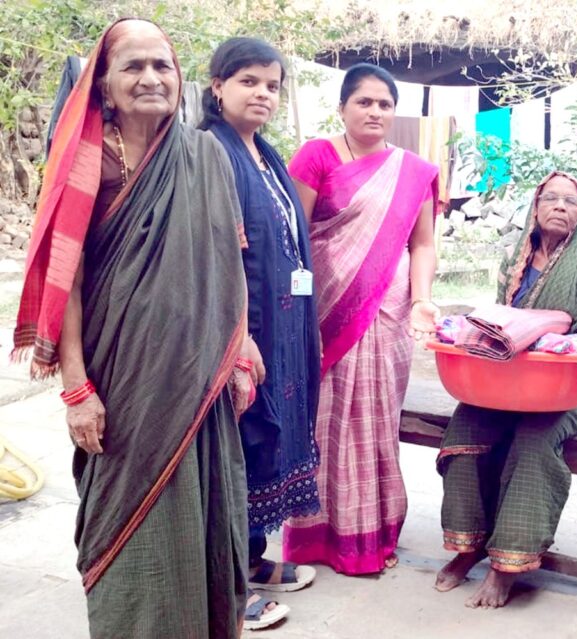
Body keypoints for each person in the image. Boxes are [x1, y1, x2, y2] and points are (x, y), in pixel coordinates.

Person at [14, 19, 255, 637]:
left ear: (179, 78)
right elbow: (67, 280)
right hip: (123, 379)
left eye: (162, 66)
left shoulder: (205, 154)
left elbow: (228, 260)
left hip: (200, 371)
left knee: (208, 507)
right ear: (104, 85)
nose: (150, 78)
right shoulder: (84, 160)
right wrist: (76, 389)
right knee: (124, 513)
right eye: (133, 66)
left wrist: (240, 347)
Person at [433, 172, 577, 608]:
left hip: (576, 380)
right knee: (464, 428)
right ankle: (470, 546)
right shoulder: (516, 254)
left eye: (571, 201)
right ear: (536, 207)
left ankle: (507, 566)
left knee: (534, 439)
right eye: (551, 198)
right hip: (515, 376)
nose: (560, 206)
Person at [282, 63, 440, 574]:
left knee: (376, 422)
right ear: (343, 108)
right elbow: (293, 236)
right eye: (364, 102)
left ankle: (372, 533)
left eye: (384, 104)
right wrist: (297, 311)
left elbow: (422, 244)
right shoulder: (317, 155)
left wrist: (421, 299)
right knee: (322, 421)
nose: (375, 112)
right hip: (323, 310)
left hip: (388, 314)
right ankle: (317, 534)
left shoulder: (413, 171)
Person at [200, 37, 322, 628]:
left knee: (267, 444)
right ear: (217, 85)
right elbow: (213, 255)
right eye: (248, 81)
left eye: (272, 85)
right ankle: (227, 588)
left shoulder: (265, 154)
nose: (262, 94)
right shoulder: (209, 151)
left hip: (281, 327)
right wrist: (238, 333)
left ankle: (251, 559)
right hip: (239, 332)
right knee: (241, 448)